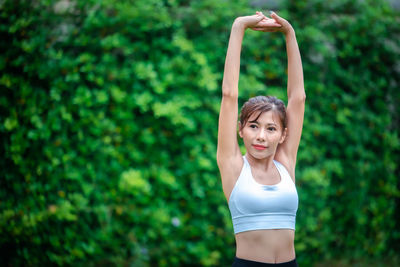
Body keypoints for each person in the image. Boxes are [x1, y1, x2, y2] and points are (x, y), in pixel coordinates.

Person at [217, 11, 305, 267]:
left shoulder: (285, 163)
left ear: (283, 134)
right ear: (240, 129)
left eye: (271, 129)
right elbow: (229, 94)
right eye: (254, 126)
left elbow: (298, 98)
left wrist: (289, 34)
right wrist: (239, 26)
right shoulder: (233, 165)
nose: (261, 136)